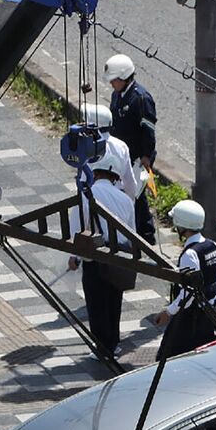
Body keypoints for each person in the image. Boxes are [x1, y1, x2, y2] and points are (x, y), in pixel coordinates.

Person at [66, 134, 139, 362]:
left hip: (94, 256)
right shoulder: (126, 200)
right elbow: (132, 232)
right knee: (113, 299)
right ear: (115, 175)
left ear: (94, 172)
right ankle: (115, 343)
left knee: (96, 302)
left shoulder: (87, 196)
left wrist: (74, 256)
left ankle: (102, 345)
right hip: (117, 257)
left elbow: (78, 227)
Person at [151, 199, 216, 360]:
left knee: (167, 357)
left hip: (190, 318)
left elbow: (189, 293)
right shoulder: (213, 246)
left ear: (181, 225)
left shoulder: (190, 254)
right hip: (209, 314)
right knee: (203, 357)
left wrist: (168, 312)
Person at [106, 54, 158, 241]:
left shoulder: (141, 98)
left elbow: (148, 129)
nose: (112, 84)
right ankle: (136, 231)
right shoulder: (117, 95)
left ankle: (146, 235)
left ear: (124, 77)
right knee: (131, 195)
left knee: (135, 195)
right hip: (121, 156)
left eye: (114, 80)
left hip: (136, 158)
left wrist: (146, 155)